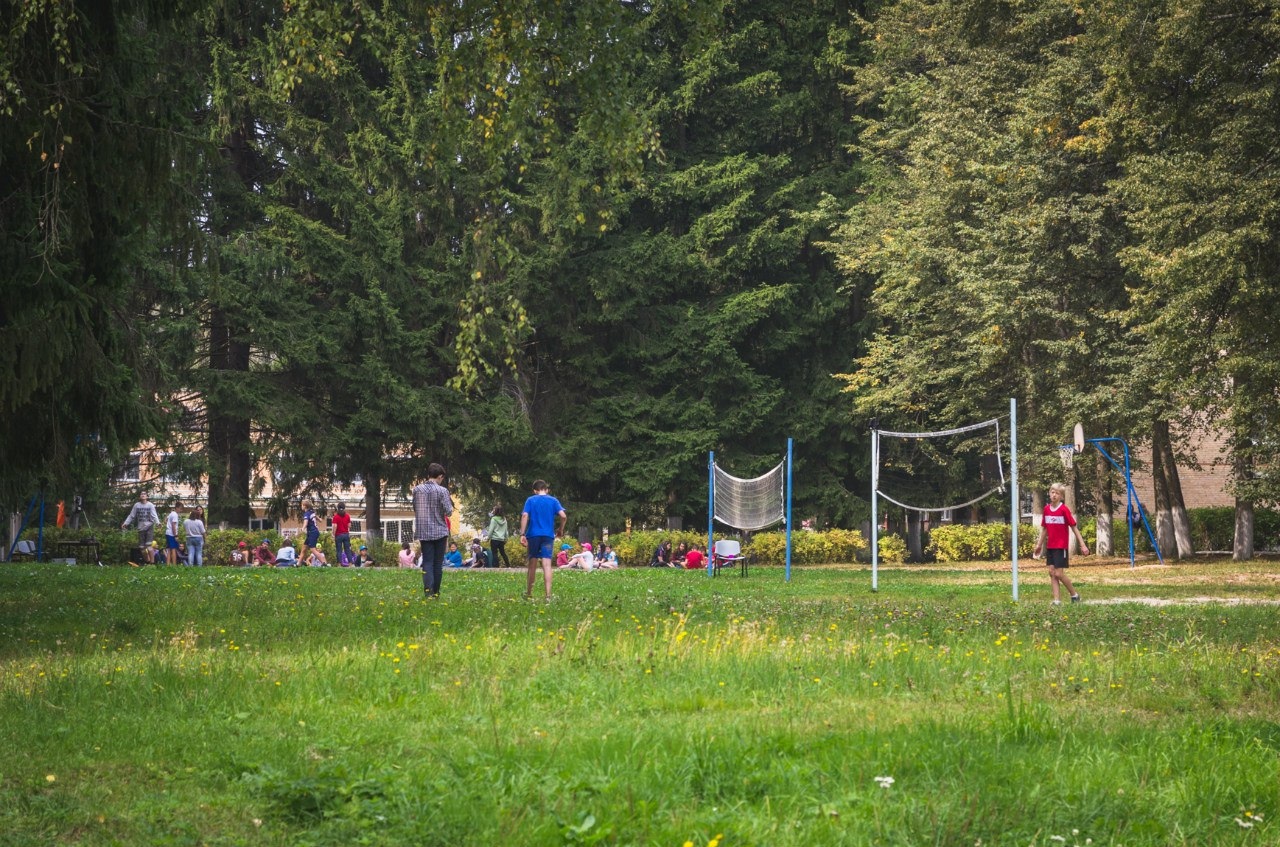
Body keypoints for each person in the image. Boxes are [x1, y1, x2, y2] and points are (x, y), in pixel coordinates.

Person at [1033, 482, 1089, 604]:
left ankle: (1074, 595)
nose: (1054, 495)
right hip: (1050, 547)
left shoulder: (1064, 510)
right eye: (1052, 492)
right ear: (1049, 493)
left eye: (1057, 493)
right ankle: (1057, 600)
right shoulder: (1046, 509)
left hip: (1061, 546)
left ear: (1061, 496)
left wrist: (1082, 544)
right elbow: (1045, 529)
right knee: (1051, 573)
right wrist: (1039, 545)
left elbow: (1074, 528)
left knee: (1058, 573)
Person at [519, 479, 567, 600]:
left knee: (532, 565)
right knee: (547, 565)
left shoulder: (530, 500)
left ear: (535, 490)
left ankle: (529, 593)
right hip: (548, 536)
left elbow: (525, 515)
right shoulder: (553, 500)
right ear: (546, 489)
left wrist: (522, 534)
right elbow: (563, 516)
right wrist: (561, 529)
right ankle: (548, 596)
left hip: (533, 535)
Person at [413, 462, 454, 597]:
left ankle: (428, 592)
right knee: (437, 563)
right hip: (440, 531)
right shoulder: (442, 491)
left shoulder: (417, 490)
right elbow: (448, 512)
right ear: (440, 476)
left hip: (424, 531)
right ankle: (436, 592)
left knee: (427, 562)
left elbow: (415, 508)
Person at [121, 492, 160, 564]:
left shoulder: (150, 505)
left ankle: (152, 563)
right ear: (140, 496)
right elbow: (131, 515)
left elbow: (154, 515)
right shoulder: (137, 505)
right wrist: (126, 523)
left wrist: (158, 523)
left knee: (149, 546)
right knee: (142, 548)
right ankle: (147, 561)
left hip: (149, 527)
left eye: (144, 494)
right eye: (141, 494)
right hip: (141, 528)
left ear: (147, 496)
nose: (143, 495)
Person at [299, 500, 321, 566]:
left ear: (305, 506)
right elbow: (316, 517)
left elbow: (306, 522)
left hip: (312, 532)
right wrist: (319, 519)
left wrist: (303, 528)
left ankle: (324, 562)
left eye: (302, 505)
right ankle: (298, 564)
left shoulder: (306, 514)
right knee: (304, 549)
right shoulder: (311, 512)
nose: (301, 506)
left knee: (313, 549)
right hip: (312, 533)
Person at [332, 502, 353, 566]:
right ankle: (350, 563)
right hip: (346, 535)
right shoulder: (347, 516)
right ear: (344, 508)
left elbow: (335, 526)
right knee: (347, 550)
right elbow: (349, 525)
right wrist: (347, 530)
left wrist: (333, 534)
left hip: (338, 535)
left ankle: (339, 564)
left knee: (339, 550)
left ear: (337, 508)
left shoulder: (336, 517)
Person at [164, 500, 184, 565]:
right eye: (180, 509)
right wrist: (175, 535)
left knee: (169, 549)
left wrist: (167, 525)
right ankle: (174, 565)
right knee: (173, 549)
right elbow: (173, 525)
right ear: (177, 508)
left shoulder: (171, 513)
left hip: (167, 532)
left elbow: (165, 520)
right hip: (171, 534)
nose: (181, 511)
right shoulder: (175, 515)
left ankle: (168, 564)